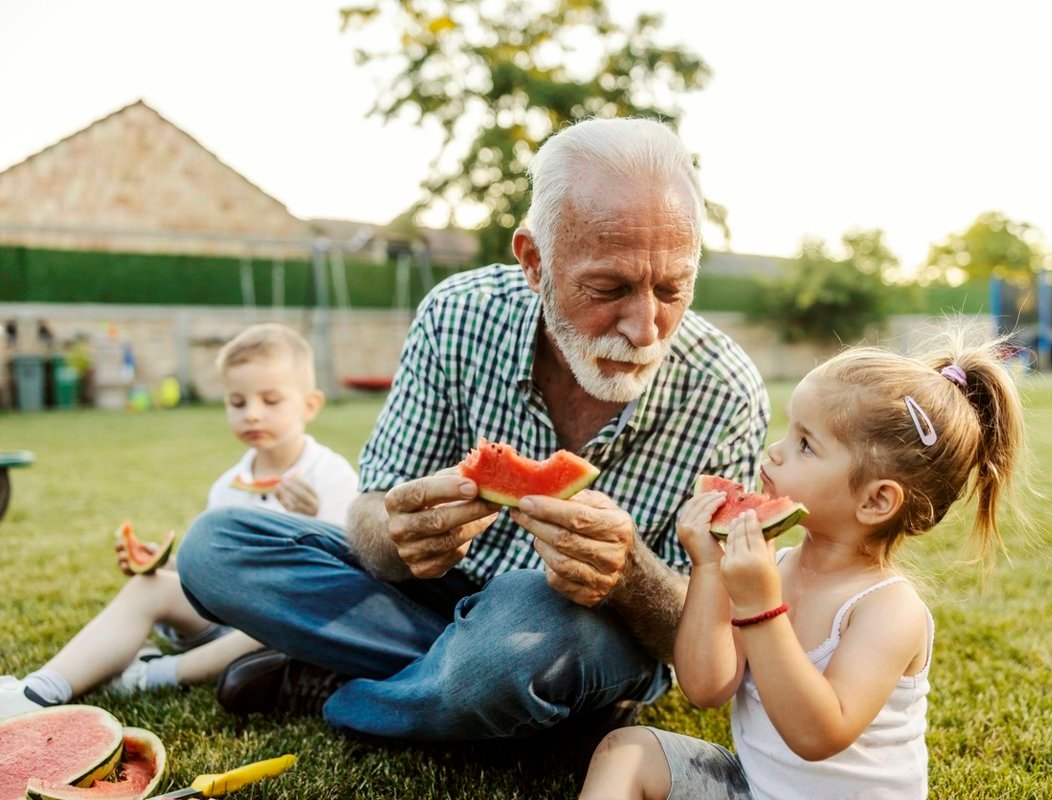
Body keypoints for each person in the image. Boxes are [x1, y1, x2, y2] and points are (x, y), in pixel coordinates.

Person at [174, 117, 770, 748]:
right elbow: (373, 515)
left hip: (583, 630)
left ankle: (340, 690)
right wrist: (398, 533)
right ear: (535, 262)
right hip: (434, 599)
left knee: (531, 631)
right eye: (609, 287)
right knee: (216, 546)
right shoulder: (458, 315)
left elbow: (712, 633)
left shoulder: (726, 390)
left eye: (673, 289)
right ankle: (514, 705)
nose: (646, 327)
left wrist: (631, 575)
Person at [580, 330, 1029, 800]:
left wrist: (759, 606)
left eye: (806, 444)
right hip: (755, 789)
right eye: (788, 431)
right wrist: (709, 571)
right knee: (626, 750)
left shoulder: (889, 611)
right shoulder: (772, 568)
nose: (775, 451)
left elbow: (818, 735)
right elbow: (707, 687)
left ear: (876, 500)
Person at [0, 323, 358, 717]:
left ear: (310, 405)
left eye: (270, 400)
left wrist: (308, 524)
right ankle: (39, 689)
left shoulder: (331, 476)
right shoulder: (229, 485)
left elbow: (343, 581)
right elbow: (216, 571)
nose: (252, 414)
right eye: (237, 403)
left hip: (285, 623)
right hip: (227, 614)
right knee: (147, 586)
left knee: (285, 613)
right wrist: (165, 562)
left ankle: (157, 673)